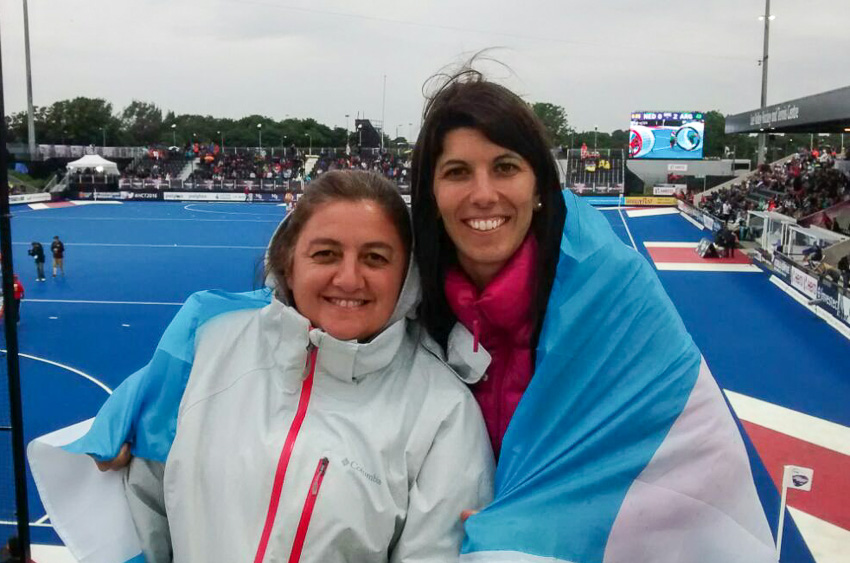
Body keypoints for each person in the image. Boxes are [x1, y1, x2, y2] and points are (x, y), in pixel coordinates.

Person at [410, 69, 780, 562]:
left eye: (504, 167)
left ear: (540, 185)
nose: (482, 193)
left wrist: (529, 527)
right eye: (457, 172)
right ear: (430, 193)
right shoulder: (404, 300)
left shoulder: (614, 289)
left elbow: (692, 468)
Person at [28, 170, 494, 563]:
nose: (349, 278)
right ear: (289, 263)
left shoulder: (442, 412)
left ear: (406, 277)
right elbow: (146, 511)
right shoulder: (207, 350)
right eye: (325, 253)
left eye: (375, 257)